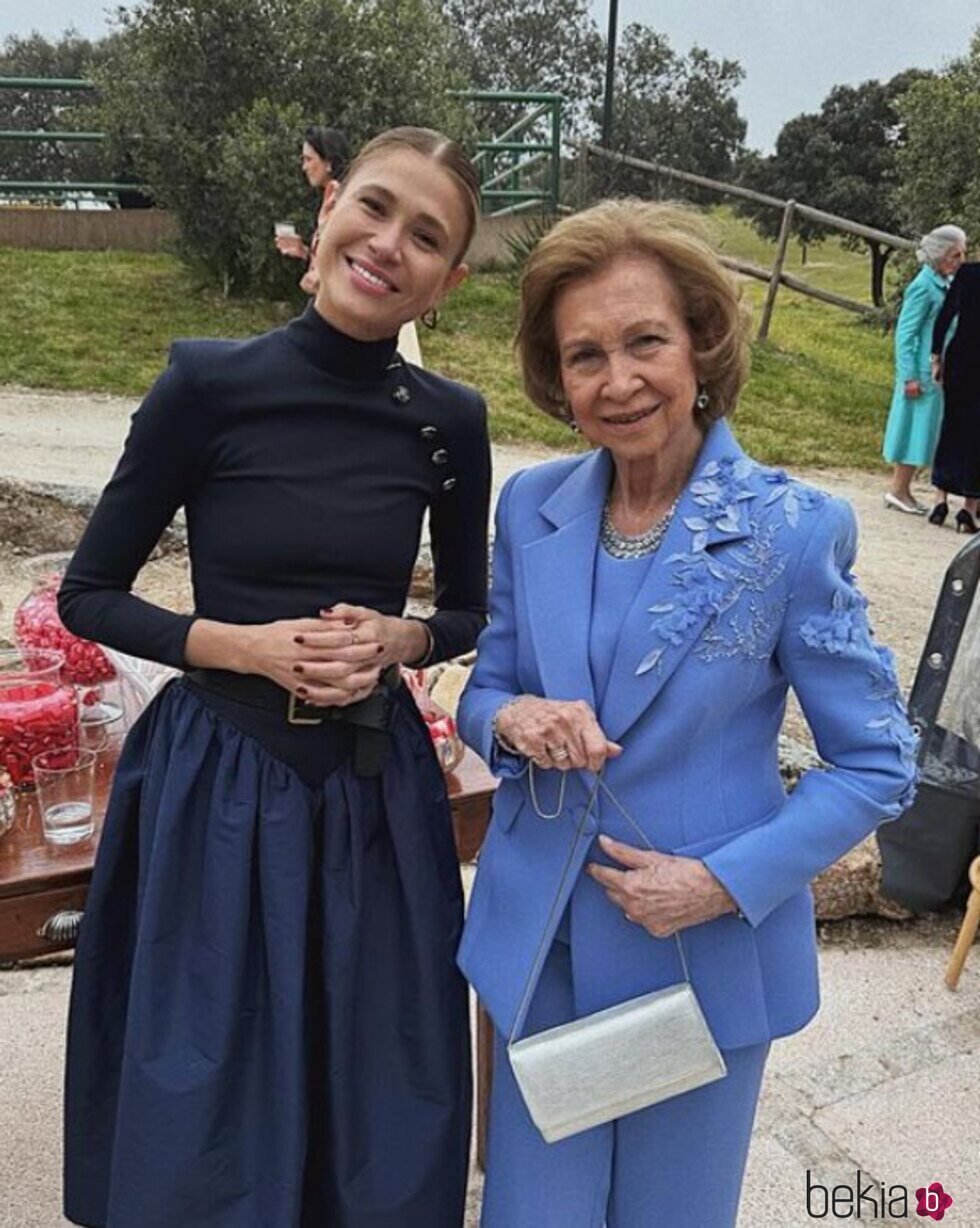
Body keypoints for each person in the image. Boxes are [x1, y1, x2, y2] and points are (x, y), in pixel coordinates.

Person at [456, 200, 918, 1227]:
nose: (615, 381)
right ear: (555, 376)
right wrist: (515, 718)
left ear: (701, 344)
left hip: (692, 962)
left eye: (643, 342)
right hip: (541, 950)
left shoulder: (792, 531)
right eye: (584, 355)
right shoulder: (529, 506)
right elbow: (479, 694)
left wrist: (720, 881)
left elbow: (875, 760)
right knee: (536, 1212)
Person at [60, 126, 489, 1228]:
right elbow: (90, 595)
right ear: (330, 208)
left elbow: (465, 611)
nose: (391, 243)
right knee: (207, 1082)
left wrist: (403, 642)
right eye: (377, 207)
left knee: (376, 1082)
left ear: (444, 281)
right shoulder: (207, 382)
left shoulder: (450, 424)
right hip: (219, 778)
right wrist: (239, 643)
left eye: (427, 236)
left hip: (371, 788)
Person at [881, 224, 966, 514]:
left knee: (926, 432)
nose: (960, 261)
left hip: (937, 373)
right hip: (920, 373)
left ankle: (904, 490)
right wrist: (908, 376)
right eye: (955, 255)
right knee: (913, 431)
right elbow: (906, 334)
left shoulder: (944, 284)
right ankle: (898, 489)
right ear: (940, 255)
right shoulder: (923, 287)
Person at [930, 260, 980, 533]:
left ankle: (940, 496)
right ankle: (969, 507)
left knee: (951, 425)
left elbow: (946, 313)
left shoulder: (968, 272)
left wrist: (936, 355)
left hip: (960, 355)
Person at [275, 124, 350, 294]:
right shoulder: (331, 198)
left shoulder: (342, 201)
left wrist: (318, 277)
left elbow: (348, 259)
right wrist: (305, 252)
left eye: (308, 159)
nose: (304, 167)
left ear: (329, 163)